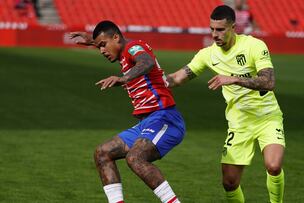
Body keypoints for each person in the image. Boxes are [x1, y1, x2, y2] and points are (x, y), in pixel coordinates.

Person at [166, 5, 285, 203]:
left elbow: (269, 82)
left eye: (220, 29)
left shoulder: (254, 46)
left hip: (267, 117)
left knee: (273, 166)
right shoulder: (207, 55)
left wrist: (234, 78)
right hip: (238, 122)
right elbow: (177, 78)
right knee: (229, 183)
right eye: (212, 29)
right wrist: (149, 80)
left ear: (233, 28)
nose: (214, 34)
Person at [70, 20, 184, 203]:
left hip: (165, 118)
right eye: (99, 47)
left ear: (116, 37)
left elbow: (146, 62)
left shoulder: (134, 47)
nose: (102, 51)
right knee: (102, 152)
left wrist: (124, 78)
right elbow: (115, 44)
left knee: (135, 157)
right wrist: (93, 41)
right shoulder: (124, 52)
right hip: (147, 123)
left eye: (103, 45)